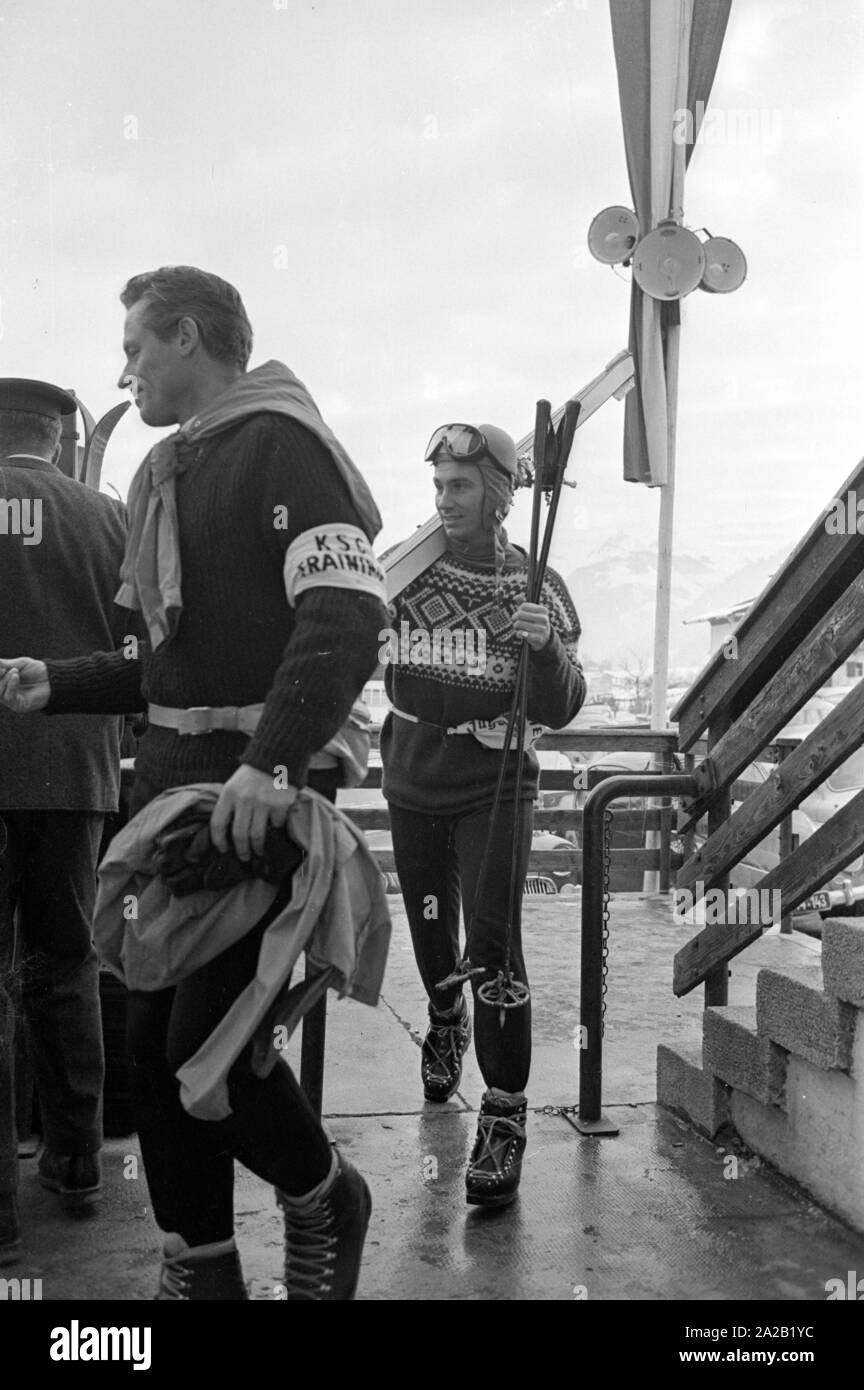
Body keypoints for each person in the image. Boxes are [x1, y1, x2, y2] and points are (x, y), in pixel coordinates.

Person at [0, 266, 389, 1299]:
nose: (124, 369)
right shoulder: (173, 469)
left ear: (185, 336)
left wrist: (271, 763)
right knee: (153, 1054)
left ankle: (326, 1198)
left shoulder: (284, 446)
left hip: (251, 809)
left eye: (136, 347)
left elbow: (346, 615)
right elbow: (163, 668)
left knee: (207, 1055)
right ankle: (202, 1272)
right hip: (174, 805)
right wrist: (59, 682)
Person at [380, 421, 586, 1207]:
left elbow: (563, 705)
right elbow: (382, 665)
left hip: (498, 781)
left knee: (495, 941)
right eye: (437, 487)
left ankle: (504, 1114)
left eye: (459, 487)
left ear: (500, 496)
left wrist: (542, 651)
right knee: (434, 938)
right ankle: (443, 1017)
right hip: (414, 774)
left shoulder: (539, 587)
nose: (445, 502)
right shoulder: (408, 574)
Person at [0, 379, 128, 1265]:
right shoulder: (106, 517)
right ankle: (78, 1161)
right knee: (66, 963)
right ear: (57, 436)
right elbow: (141, 643)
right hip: (74, 774)